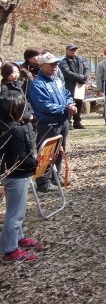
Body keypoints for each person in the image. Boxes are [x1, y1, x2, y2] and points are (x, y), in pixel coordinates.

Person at [0, 90, 42, 263]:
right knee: (15, 214)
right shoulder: (16, 131)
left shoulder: (5, 127)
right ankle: (10, 249)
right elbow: (21, 158)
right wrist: (36, 164)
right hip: (16, 176)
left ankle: (18, 237)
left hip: (7, 175)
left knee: (13, 209)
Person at [26, 52, 77, 192]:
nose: (55, 66)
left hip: (62, 121)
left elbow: (66, 94)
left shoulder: (57, 80)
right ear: (41, 66)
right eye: (51, 64)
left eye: (56, 63)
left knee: (60, 151)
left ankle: (55, 176)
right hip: (48, 123)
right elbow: (44, 105)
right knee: (47, 152)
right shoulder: (37, 84)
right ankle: (43, 181)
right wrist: (65, 109)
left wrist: (70, 104)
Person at [58, 44, 89, 129]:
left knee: (79, 104)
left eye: (75, 50)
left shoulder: (80, 60)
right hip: (70, 85)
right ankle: (68, 122)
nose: (74, 51)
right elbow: (66, 73)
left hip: (80, 85)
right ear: (67, 51)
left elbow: (86, 69)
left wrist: (85, 77)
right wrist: (81, 77)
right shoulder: (64, 62)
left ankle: (77, 122)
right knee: (70, 103)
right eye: (72, 50)